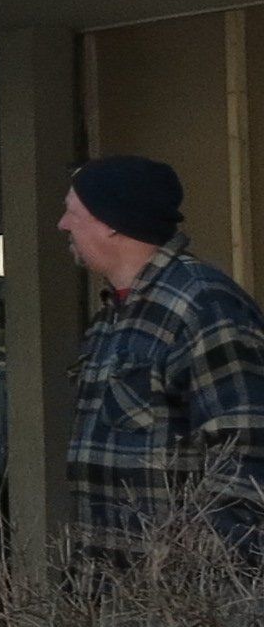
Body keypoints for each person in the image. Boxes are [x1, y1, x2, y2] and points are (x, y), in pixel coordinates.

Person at [61, 154, 264, 564]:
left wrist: (200, 578)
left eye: (72, 211)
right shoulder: (113, 314)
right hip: (109, 591)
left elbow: (246, 456)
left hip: (179, 600)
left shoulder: (204, 305)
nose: (62, 225)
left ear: (112, 221)